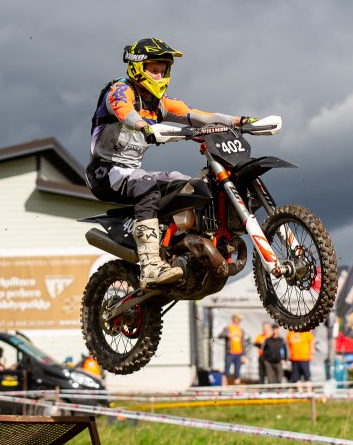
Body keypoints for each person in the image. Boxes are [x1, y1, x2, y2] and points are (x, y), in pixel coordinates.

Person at [84, 37, 253, 290]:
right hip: (103, 171)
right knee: (145, 182)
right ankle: (151, 265)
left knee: (189, 185)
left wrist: (241, 121)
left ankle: (180, 248)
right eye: (154, 70)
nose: (159, 76)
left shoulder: (160, 103)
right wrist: (143, 126)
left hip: (132, 172)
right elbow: (124, 111)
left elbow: (200, 116)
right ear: (138, 68)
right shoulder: (120, 91)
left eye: (163, 71)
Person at [219, 315, 246, 385]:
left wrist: (244, 354)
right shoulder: (228, 328)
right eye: (236, 319)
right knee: (227, 369)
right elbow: (220, 335)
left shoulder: (241, 330)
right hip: (230, 352)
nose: (238, 321)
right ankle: (224, 385)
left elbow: (243, 343)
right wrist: (227, 335)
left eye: (239, 319)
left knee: (237, 371)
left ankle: (237, 386)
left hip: (239, 353)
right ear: (234, 319)